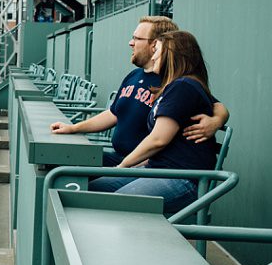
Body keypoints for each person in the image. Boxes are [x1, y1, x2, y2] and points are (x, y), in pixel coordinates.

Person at [50, 15, 228, 164]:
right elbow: (114, 114)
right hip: (120, 158)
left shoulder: (174, 81)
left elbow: (216, 106)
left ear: (155, 44)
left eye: (136, 38)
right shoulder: (134, 75)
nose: (131, 43)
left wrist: (215, 121)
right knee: (64, 160)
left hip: (142, 164)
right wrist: (73, 128)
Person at [88, 30, 221, 211]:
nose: (153, 56)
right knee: (91, 189)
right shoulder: (173, 86)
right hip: (157, 169)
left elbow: (158, 140)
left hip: (183, 178)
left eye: (157, 50)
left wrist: (122, 166)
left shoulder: (183, 86)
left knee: (114, 204)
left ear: (171, 55)